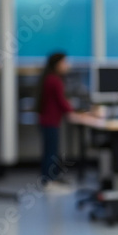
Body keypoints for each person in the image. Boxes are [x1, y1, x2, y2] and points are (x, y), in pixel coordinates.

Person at [37, 52, 73, 187]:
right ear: (57, 64)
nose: (67, 65)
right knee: (51, 152)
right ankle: (49, 180)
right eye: (64, 62)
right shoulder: (55, 80)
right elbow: (61, 102)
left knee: (49, 151)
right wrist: (74, 111)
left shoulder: (48, 78)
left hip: (47, 120)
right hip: (50, 121)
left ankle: (49, 179)